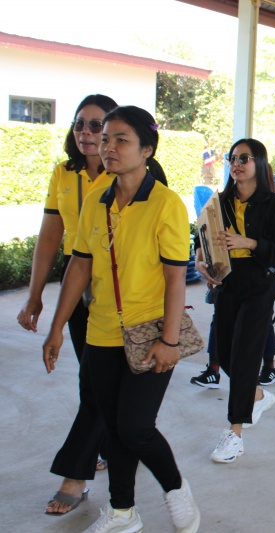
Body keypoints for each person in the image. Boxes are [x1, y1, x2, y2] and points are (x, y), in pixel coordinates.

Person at [42, 105, 200, 532]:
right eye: (106, 138)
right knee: (113, 426)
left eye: (120, 140)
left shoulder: (166, 204)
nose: (107, 146)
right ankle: (123, 511)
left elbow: (175, 278)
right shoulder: (97, 200)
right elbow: (79, 266)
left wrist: (170, 341)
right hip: (100, 331)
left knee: (135, 427)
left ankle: (175, 488)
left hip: (149, 331)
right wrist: (56, 328)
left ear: (146, 150)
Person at [17, 94, 117, 515]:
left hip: (119, 291)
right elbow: (50, 236)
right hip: (78, 286)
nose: (86, 133)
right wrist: (35, 294)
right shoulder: (64, 173)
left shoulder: (132, 171)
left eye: (96, 126)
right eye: (79, 124)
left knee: (99, 381)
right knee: (91, 378)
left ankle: (76, 473)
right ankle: (104, 444)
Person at [196, 138, 275, 465]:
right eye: (232, 158)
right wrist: (201, 259)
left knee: (244, 357)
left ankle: (235, 434)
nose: (236, 164)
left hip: (259, 283)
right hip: (227, 281)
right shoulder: (220, 201)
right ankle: (256, 394)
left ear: (259, 163)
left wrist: (250, 242)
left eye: (244, 158)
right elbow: (203, 236)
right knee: (225, 353)